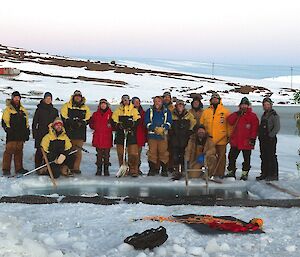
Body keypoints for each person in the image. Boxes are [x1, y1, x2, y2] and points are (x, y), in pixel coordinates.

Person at [224, 97, 259, 180]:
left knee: (246, 159)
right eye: (242, 105)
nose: (244, 107)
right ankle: (231, 172)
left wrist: (252, 138)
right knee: (231, 157)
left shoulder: (252, 116)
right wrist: (236, 114)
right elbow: (229, 120)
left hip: (246, 141)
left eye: (245, 105)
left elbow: (255, 128)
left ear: (248, 106)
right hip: (236, 140)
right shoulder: (237, 114)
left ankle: (245, 173)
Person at [200, 92, 231, 178]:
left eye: (216, 99)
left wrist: (229, 136)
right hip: (209, 139)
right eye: (213, 99)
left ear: (219, 100)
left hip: (222, 138)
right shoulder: (206, 112)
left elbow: (229, 125)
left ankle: (220, 174)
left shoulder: (225, 111)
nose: (215, 100)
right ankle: (211, 173)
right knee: (210, 157)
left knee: (221, 157)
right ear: (211, 100)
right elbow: (201, 125)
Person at [61, 90, 91, 174]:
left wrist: (81, 123)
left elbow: (88, 118)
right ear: (73, 97)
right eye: (76, 96)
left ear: (81, 97)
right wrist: (71, 122)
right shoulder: (67, 106)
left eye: (79, 96)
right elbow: (63, 116)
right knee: (68, 151)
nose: (77, 97)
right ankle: (67, 168)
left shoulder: (85, 107)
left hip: (80, 134)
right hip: (68, 133)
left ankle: (76, 168)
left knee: (78, 152)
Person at [2, 91, 30, 176]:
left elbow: (27, 122)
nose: (17, 99)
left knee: (19, 152)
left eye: (18, 97)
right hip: (12, 135)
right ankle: (6, 169)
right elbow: (4, 121)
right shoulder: (8, 109)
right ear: (12, 98)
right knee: (8, 152)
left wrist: (27, 131)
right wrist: (8, 129)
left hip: (21, 135)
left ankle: (19, 168)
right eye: (15, 97)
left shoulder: (23, 110)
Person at [112, 95, 141, 177]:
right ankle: (123, 169)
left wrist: (132, 124)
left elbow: (137, 119)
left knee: (133, 154)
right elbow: (114, 120)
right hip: (121, 135)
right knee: (121, 153)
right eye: (124, 100)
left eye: (127, 100)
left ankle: (133, 170)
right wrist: (119, 125)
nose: (126, 101)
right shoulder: (118, 110)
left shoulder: (134, 110)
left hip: (131, 134)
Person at [144, 96, 172, 176]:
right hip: (152, 136)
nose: (157, 103)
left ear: (162, 102)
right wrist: (154, 128)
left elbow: (169, 122)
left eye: (159, 101)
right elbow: (146, 122)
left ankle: (164, 170)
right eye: (155, 101)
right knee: (152, 153)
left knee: (163, 152)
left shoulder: (166, 111)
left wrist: (163, 128)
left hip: (163, 136)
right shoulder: (150, 111)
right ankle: (152, 169)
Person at [170, 100, 196, 179]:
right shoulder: (172, 114)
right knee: (175, 156)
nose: (180, 106)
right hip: (175, 138)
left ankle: (184, 171)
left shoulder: (188, 114)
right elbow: (168, 122)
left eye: (182, 105)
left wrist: (190, 130)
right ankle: (176, 171)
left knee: (184, 155)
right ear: (176, 106)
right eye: (179, 105)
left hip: (185, 138)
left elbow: (193, 122)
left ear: (184, 106)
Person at [32, 92, 59, 168]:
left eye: (49, 98)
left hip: (51, 133)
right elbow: (34, 123)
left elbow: (57, 122)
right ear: (44, 99)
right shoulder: (39, 110)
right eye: (47, 98)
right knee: (40, 150)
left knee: (50, 150)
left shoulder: (54, 110)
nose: (48, 100)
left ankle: (48, 166)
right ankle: (38, 166)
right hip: (40, 133)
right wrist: (35, 134)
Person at [256, 97, 280, 181]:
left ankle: (273, 174)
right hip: (263, 139)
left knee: (271, 156)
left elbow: (277, 127)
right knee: (263, 156)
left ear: (271, 105)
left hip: (270, 139)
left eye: (268, 104)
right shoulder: (264, 115)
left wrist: (270, 136)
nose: (266, 106)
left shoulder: (274, 115)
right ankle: (264, 173)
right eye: (265, 105)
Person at [89, 99, 113, 176]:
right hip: (98, 137)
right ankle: (99, 169)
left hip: (107, 137)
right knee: (99, 155)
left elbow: (114, 124)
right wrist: (95, 127)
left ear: (107, 105)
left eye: (104, 104)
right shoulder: (95, 114)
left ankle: (106, 169)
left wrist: (111, 127)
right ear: (99, 105)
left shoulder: (111, 114)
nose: (103, 105)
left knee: (106, 155)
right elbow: (91, 123)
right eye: (101, 104)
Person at [132, 97, 147, 174]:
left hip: (140, 135)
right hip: (131, 135)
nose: (137, 103)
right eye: (135, 101)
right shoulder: (129, 111)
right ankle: (131, 168)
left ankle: (137, 168)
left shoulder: (143, 113)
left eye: (138, 101)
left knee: (138, 153)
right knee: (131, 154)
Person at [162, 91, 175, 173]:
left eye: (168, 97)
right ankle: (161, 167)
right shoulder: (160, 107)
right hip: (162, 131)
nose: (166, 98)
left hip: (171, 131)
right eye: (165, 97)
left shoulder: (173, 108)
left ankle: (170, 166)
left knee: (171, 150)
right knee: (162, 150)